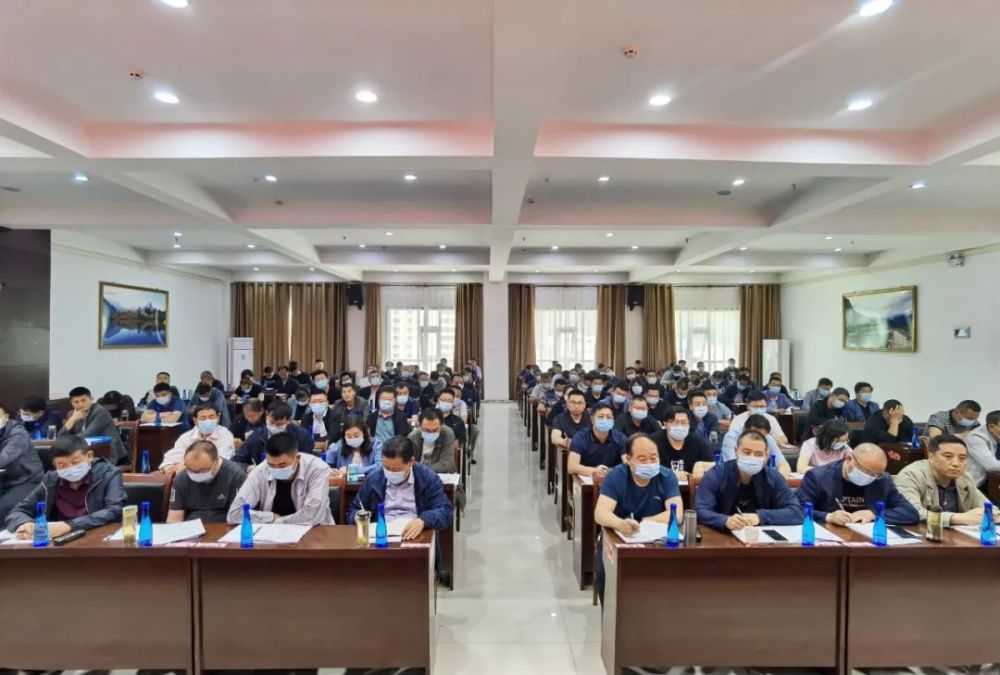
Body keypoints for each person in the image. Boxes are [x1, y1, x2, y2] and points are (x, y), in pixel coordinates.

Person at [594, 433, 683, 602]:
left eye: (654, 458)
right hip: (618, 538)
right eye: (642, 459)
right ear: (628, 459)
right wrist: (620, 523)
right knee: (608, 573)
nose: (649, 463)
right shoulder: (616, 476)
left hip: (656, 540)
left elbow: (676, 514)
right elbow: (600, 513)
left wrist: (645, 522)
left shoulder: (666, 476)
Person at [6, 434, 126, 537]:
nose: (70, 468)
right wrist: (25, 523)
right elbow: (18, 511)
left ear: (89, 456)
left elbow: (115, 510)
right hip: (56, 540)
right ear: (54, 464)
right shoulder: (51, 480)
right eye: (62, 465)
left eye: (75, 462)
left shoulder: (108, 474)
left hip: (94, 535)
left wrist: (70, 526)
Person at [347, 435, 454, 542]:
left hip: (414, 535)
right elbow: (353, 510)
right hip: (380, 536)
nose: (390, 472)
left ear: (411, 461)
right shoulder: (374, 479)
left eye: (396, 470)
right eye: (386, 468)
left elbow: (446, 511)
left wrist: (424, 520)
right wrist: (358, 517)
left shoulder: (427, 478)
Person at [696, 430, 803, 532]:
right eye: (747, 452)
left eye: (758, 454)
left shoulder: (773, 477)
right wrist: (725, 521)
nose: (752, 457)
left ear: (766, 456)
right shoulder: (716, 474)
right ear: (736, 451)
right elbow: (700, 511)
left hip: (760, 538)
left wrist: (760, 516)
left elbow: (796, 512)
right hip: (722, 536)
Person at [797, 443, 919, 525]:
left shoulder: (882, 480)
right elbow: (797, 510)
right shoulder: (818, 477)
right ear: (849, 459)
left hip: (868, 539)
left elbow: (910, 513)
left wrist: (874, 514)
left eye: (876, 474)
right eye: (866, 471)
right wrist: (828, 517)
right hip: (830, 539)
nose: (870, 477)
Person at [227, 431, 333, 525]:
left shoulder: (317, 469)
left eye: (282, 465)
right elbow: (234, 514)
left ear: (297, 458)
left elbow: (312, 516)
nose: (276, 469)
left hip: (315, 531)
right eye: (271, 465)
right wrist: (269, 518)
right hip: (272, 533)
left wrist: (279, 521)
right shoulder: (261, 470)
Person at [894, 435, 999, 528]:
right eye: (948, 456)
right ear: (931, 457)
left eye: (962, 458)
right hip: (923, 535)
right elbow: (911, 512)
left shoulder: (964, 477)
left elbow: (991, 509)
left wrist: (986, 513)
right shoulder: (912, 475)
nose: (956, 463)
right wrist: (959, 518)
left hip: (957, 536)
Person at [166, 440, 246, 523]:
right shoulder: (181, 478)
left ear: (216, 461)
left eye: (202, 470)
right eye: (190, 469)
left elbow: (239, 517)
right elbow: (174, 520)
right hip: (191, 526)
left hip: (225, 525)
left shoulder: (235, 476)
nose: (196, 474)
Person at [232, 402, 315, 471]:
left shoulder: (302, 436)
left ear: (289, 421)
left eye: (279, 424)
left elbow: (308, 462)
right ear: (266, 416)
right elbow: (236, 461)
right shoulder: (256, 436)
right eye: (271, 422)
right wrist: (248, 467)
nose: (274, 426)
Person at [61, 386, 130, 465]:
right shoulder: (72, 415)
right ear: (71, 403)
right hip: (86, 453)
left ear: (91, 399)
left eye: (83, 400)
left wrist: (68, 441)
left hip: (109, 455)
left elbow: (87, 435)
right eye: (76, 402)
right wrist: (72, 420)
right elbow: (60, 437)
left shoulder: (101, 412)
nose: (80, 404)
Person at [159, 405, 236, 474]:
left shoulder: (225, 434)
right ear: (195, 421)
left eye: (211, 417)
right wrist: (169, 467)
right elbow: (173, 456)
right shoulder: (187, 436)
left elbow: (219, 461)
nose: (208, 421)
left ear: (218, 418)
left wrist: (186, 467)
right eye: (203, 418)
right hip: (188, 476)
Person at [0, 404, 44, 520]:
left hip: (28, 481)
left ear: (6, 417)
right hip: (4, 482)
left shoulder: (18, 433)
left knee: (3, 509)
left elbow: (4, 458)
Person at [650, 406, 715, 482]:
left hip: (691, 486)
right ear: (665, 424)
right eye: (675, 423)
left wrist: (701, 465)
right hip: (662, 485)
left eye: (684, 423)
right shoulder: (653, 441)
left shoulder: (697, 440)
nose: (680, 427)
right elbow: (647, 466)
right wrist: (670, 475)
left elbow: (713, 465)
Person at [568, 403, 627, 478]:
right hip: (586, 478)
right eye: (601, 417)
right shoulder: (580, 437)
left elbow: (627, 463)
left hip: (612, 477)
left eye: (609, 417)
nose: (605, 420)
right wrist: (595, 471)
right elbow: (571, 467)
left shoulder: (620, 438)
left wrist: (614, 472)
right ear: (592, 420)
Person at [722, 391, 789, 453]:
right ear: (748, 406)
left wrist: (767, 441)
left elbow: (783, 439)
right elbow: (731, 441)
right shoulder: (738, 420)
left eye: (762, 407)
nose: (759, 409)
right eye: (756, 407)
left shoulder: (771, 419)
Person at [407, 409, 458, 473]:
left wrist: (421, 470)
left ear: (441, 425)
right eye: (427, 430)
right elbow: (408, 463)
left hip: (442, 474)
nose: (431, 433)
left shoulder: (447, 434)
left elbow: (446, 464)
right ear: (420, 425)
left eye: (435, 430)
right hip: (419, 474)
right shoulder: (412, 437)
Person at [963, 410, 1000, 489]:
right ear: (991, 427)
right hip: (968, 485)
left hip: (986, 481)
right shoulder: (975, 438)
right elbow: (992, 466)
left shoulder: (994, 433)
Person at [299, 387, 339, 451]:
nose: (317, 404)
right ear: (309, 404)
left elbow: (332, 437)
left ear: (327, 403)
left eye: (320, 401)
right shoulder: (305, 417)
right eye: (314, 402)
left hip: (328, 450)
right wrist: (317, 444)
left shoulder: (335, 416)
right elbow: (302, 437)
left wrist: (310, 442)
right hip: (309, 450)